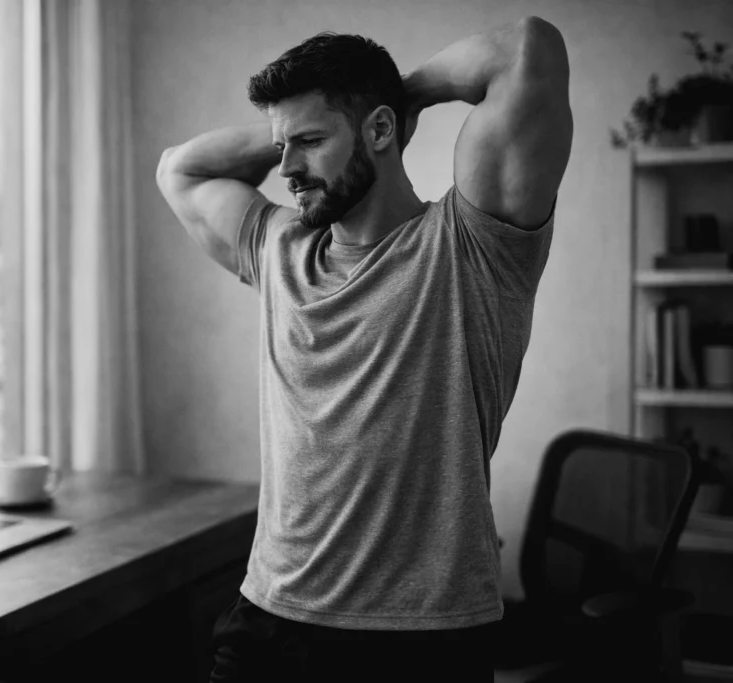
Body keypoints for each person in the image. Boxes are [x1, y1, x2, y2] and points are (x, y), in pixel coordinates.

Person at [156, 16, 572, 682]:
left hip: (418, 639)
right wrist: (301, 134)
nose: (286, 170)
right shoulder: (279, 249)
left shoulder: (472, 247)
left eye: (310, 142)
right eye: (279, 145)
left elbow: (527, 49)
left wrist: (398, 97)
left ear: (380, 131)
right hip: (267, 618)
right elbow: (180, 168)